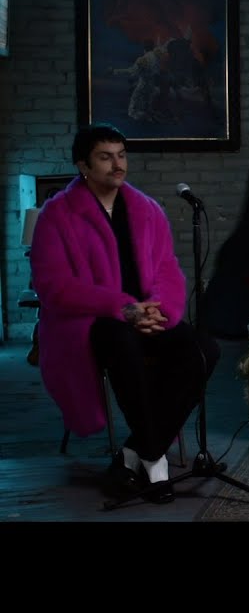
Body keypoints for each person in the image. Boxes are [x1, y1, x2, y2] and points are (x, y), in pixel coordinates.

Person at [30, 123, 219, 504]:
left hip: (147, 314)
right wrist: (122, 308)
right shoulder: (57, 214)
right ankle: (156, 462)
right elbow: (54, 286)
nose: (118, 165)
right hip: (90, 321)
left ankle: (136, 454)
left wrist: (159, 311)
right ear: (83, 165)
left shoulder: (146, 209)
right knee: (121, 344)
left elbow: (168, 269)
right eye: (105, 157)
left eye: (121, 155)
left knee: (203, 350)